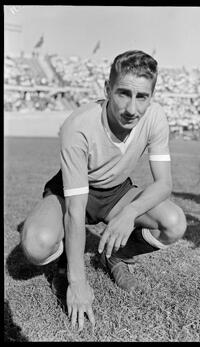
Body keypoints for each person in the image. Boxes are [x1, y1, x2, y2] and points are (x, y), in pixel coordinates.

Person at [20, 50, 187, 331]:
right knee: (36, 244)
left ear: (152, 97)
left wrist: (130, 212)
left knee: (173, 224)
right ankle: (63, 264)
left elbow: (164, 184)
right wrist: (78, 281)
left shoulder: (155, 118)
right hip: (69, 193)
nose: (132, 108)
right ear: (107, 89)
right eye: (123, 93)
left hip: (116, 193)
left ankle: (115, 255)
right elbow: (75, 210)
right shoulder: (78, 125)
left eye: (142, 97)